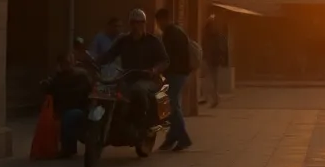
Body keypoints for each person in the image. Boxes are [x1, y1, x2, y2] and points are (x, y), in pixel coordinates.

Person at [96, 8, 169, 145]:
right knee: (110, 91)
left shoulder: (152, 41)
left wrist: (154, 69)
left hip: (148, 79)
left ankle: (143, 125)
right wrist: (96, 61)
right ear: (130, 24)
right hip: (127, 77)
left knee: (138, 90)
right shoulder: (124, 40)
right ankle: (114, 123)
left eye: (140, 22)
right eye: (134, 23)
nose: (136, 26)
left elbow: (164, 60)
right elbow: (110, 54)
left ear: (144, 24)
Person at [153, 8, 194, 151]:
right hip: (179, 73)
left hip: (176, 73)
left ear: (164, 19)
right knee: (170, 104)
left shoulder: (171, 34)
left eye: (159, 21)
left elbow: (167, 56)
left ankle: (183, 138)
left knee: (170, 104)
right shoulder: (176, 31)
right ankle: (171, 138)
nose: (158, 24)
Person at [43, 53, 93, 158]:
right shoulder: (58, 78)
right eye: (64, 63)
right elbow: (51, 90)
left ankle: (68, 149)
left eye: (68, 62)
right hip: (63, 109)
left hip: (80, 109)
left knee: (69, 117)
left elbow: (86, 91)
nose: (67, 65)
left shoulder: (81, 75)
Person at [201, 15, 228, 107]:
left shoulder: (211, 36)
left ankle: (213, 98)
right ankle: (213, 98)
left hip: (211, 59)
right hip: (211, 59)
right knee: (212, 80)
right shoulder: (213, 35)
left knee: (211, 80)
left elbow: (215, 48)